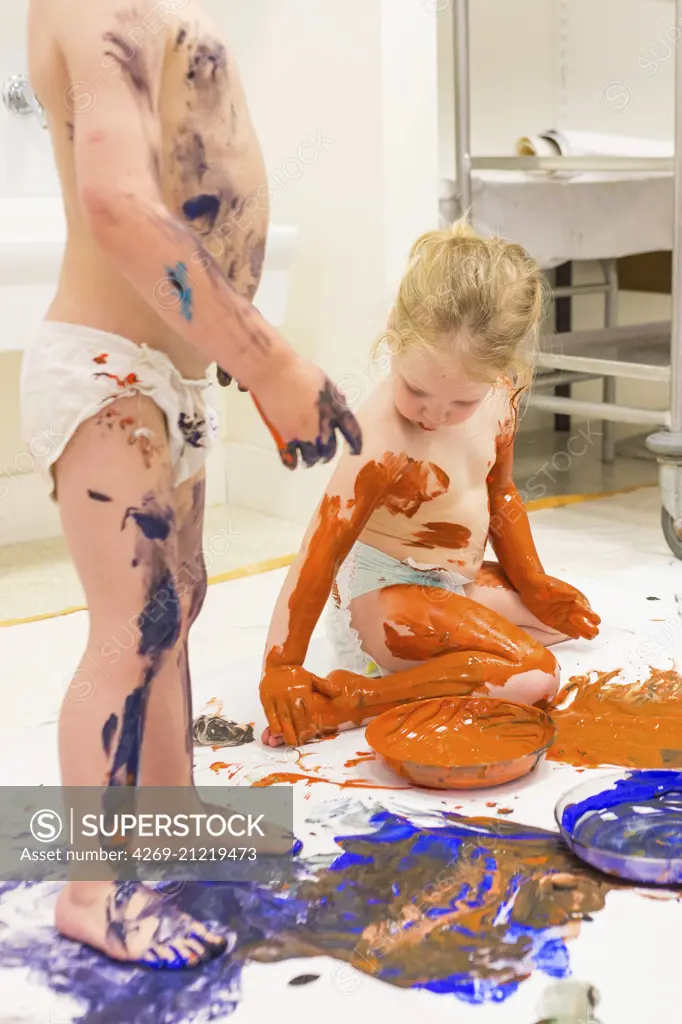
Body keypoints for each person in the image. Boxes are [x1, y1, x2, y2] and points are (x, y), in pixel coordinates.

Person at [22, 0, 361, 969]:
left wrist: (221, 357)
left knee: (175, 607)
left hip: (167, 376)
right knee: (130, 630)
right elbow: (118, 205)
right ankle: (94, 889)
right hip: (108, 374)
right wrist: (269, 363)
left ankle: (170, 817)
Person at [260, 221, 600, 747]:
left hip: (449, 582)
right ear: (394, 334)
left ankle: (428, 671)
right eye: (417, 389)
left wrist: (532, 582)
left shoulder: (500, 398)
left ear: (501, 370)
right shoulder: (379, 439)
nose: (436, 414)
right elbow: (319, 554)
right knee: (535, 673)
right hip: (383, 597)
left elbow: (500, 494)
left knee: (558, 620)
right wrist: (282, 665)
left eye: (461, 402)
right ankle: (356, 699)